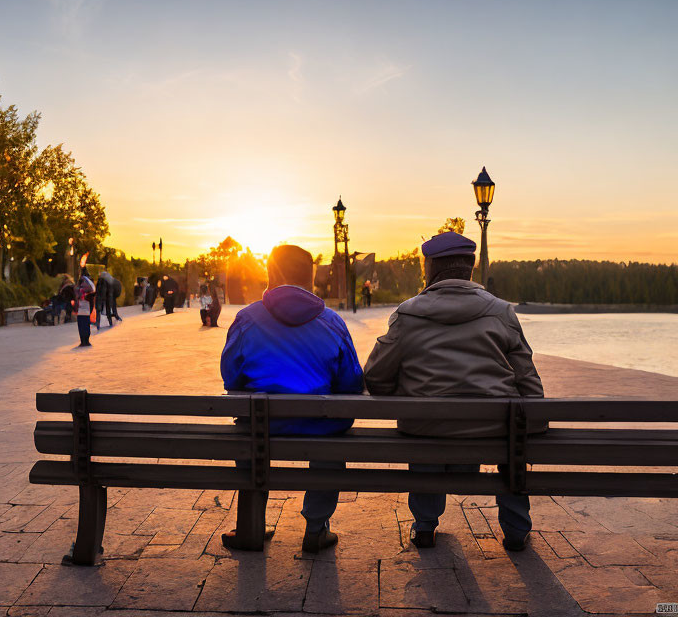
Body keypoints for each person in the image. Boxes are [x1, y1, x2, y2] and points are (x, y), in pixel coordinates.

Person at [363, 231, 544, 552]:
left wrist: (410, 390)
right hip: (492, 434)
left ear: (429, 267)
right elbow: (528, 382)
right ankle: (516, 530)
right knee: (512, 442)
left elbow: (376, 378)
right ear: (470, 269)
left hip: (425, 431)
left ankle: (424, 526)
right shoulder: (502, 312)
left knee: (423, 437)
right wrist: (533, 426)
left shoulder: (407, 314)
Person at [220, 244, 364, 553]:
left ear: (271, 275)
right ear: (310, 279)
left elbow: (231, 379)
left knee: (247, 433)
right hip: (321, 428)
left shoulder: (246, 319)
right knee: (332, 439)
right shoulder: (332, 322)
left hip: (262, 427)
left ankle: (251, 524)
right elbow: (352, 383)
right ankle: (316, 527)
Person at [74, 268, 96, 347]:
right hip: (86, 308)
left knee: (81, 325)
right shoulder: (90, 285)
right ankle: (86, 341)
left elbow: (76, 293)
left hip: (81, 308)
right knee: (86, 325)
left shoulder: (80, 285)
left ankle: (83, 341)